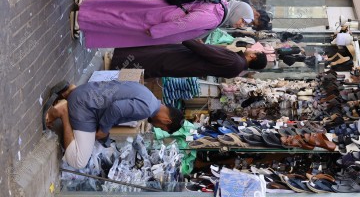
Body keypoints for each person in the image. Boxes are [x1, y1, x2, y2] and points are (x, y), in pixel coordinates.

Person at [44, 81, 183, 169]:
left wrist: (104, 135)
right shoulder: (147, 109)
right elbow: (116, 108)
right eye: (161, 127)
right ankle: (63, 111)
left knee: (98, 137)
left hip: (87, 91)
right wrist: (104, 130)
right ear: (167, 121)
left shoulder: (149, 95)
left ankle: (71, 91)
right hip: (86, 107)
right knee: (78, 162)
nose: (157, 126)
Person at [73, 0, 254, 47]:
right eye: (242, 20)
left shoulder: (219, 4)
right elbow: (186, 23)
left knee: (126, 7)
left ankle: (87, 4)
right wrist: (157, 31)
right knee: (121, 20)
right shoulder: (215, 17)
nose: (239, 25)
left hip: (166, 9)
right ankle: (83, 18)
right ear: (239, 12)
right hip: (162, 20)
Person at [109, 39, 268, 78]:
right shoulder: (237, 67)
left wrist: (188, 38)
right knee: (150, 71)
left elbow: (204, 51)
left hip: (180, 58)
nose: (251, 48)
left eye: (254, 50)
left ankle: (112, 62)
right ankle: (111, 74)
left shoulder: (235, 60)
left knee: (147, 59)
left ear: (253, 56)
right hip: (182, 66)